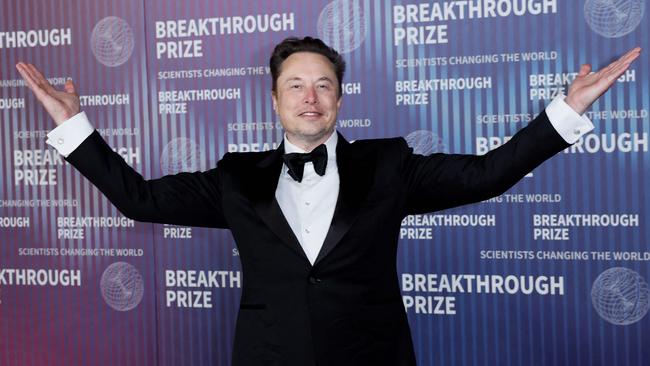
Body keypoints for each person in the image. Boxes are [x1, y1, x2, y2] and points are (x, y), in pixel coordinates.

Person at [17, 37, 640, 366]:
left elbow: (488, 174)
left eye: (323, 85)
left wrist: (566, 111)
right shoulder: (236, 178)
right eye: (295, 85)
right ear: (275, 100)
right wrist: (75, 126)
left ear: (339, 100)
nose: (309, 97)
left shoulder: (390, 165)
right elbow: (140, 199)